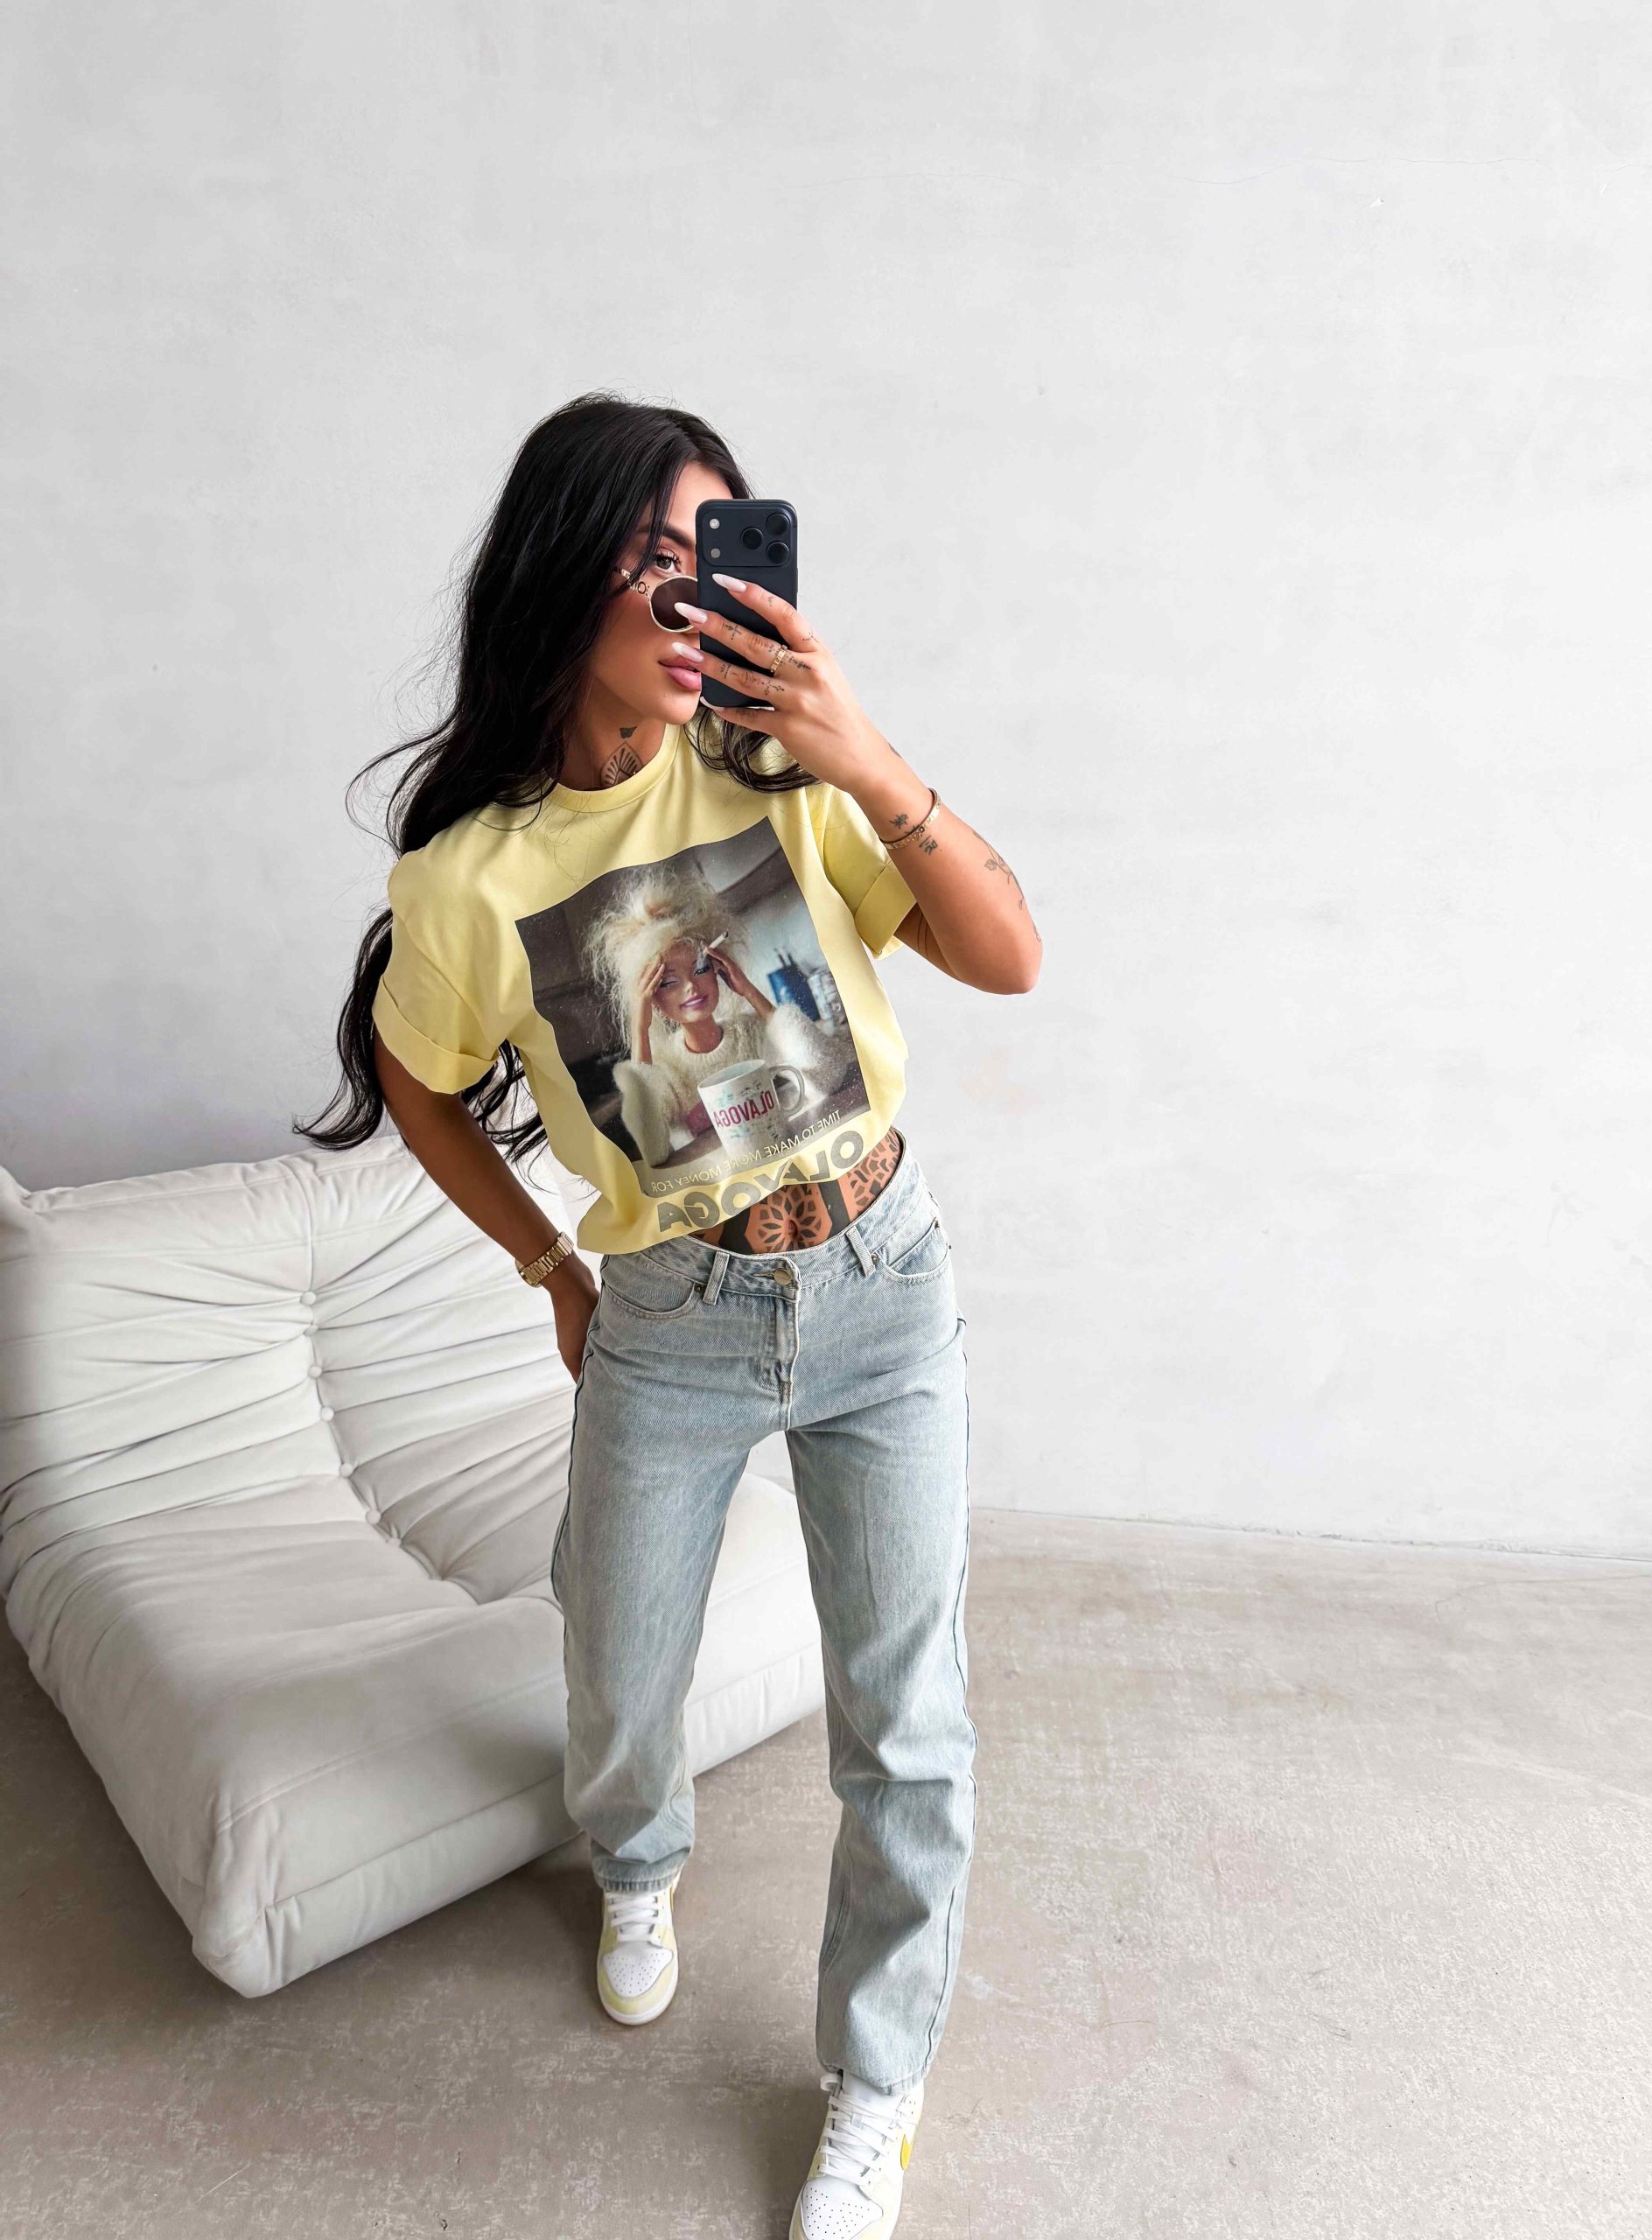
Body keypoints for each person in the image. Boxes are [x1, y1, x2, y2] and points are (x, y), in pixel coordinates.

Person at [298, 390, 1041, 2239]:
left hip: (881, 1282)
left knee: (909, 1721)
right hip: (672, 1314)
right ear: (568, 581)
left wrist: (864, 751)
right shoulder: (471, 878)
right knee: (622, 1673)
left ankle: (875, 2081)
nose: (698, 599)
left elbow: (1010, 954)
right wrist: (548, 1265)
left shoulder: (785, 773)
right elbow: (417, 1082)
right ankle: (635, 1860)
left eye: (720, 556)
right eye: (656, 561)